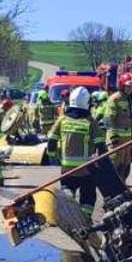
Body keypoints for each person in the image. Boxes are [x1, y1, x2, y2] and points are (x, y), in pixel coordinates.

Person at [46, 87, 105, 218]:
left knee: (67, 192)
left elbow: (51, 141)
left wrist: (53, 158)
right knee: (88, 196)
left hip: (67, 169)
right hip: (86, 170)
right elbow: (101, 145)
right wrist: (101, 162)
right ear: (86, 103)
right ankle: (84, 218)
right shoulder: (90, 121)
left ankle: (67, 212)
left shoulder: (62, 120)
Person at [101, 74, 132, 180]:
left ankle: (122, 188)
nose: (130, 89)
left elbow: (131, 121)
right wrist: (113, 136)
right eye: (128, 86)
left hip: (127, 142)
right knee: (115, 166)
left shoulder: (130, 100)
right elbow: (108, 119)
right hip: (116, 141)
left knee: (125, 168)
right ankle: (112, 189)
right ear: (122, 85)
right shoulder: (115, 99)